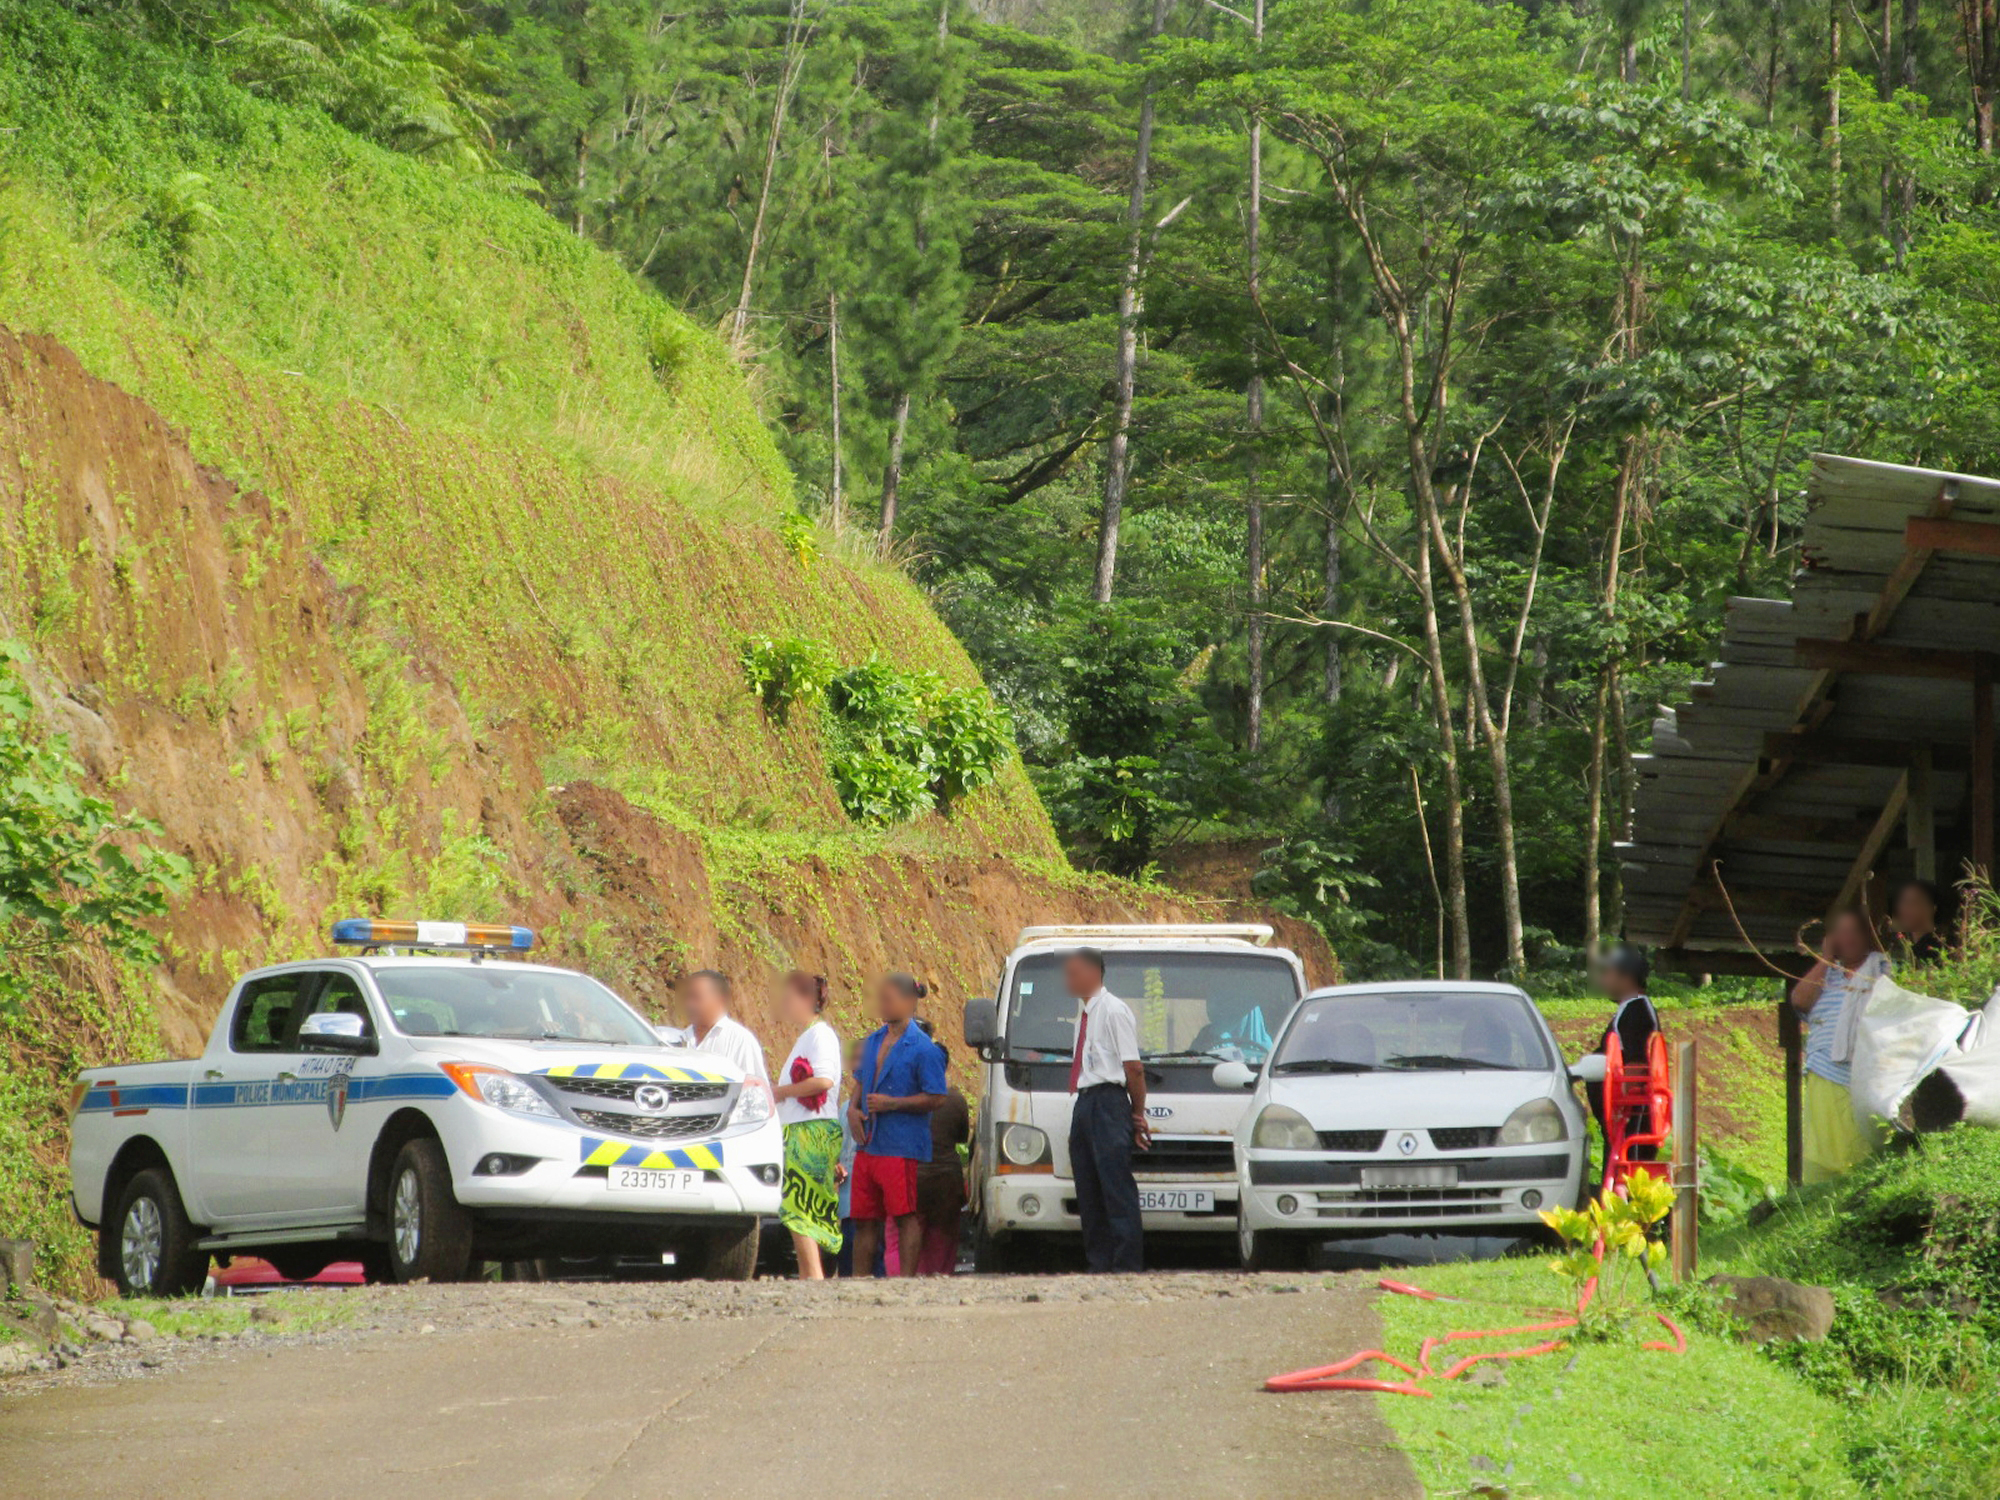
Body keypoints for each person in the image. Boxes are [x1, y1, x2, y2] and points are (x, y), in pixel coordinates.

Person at [847, 973, 947, 1278]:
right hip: (868, 1144)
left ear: (909, 1002)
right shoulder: (873, 1040)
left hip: (900, 1146)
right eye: (882, 999)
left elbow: (937, 1097)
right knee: (864, 1220)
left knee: (905, 1216)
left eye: (889, 1000)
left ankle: (904, 1281)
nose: (883, 1005)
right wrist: (852, 1110)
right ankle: (859, 1282)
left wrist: (894, 1104)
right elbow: (860, 1083)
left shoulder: (924, 1048)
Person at [1790, 909, 1892, 1183]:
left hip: (1861, 1076)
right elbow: (1799, 1001)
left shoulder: (1881, 972)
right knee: (1821, 1153)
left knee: (1857, 1152)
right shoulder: (1827, 977)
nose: (1848, 938)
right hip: (1824, 1072)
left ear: (1867, 936)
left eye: (1854, 931)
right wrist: (1825, 959)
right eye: (1841, 932)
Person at [1064, 948, 1148, 1274]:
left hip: (1110, 1101)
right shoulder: (1082, 1016)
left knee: (1116, 1186)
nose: (1068, 980)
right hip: (1085, 1101)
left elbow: (1133, 1067)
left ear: (1093, 973)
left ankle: (1126, 1264)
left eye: (1074, 973)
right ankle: (1098, 1263)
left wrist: (1136, 1115)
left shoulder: (1114, 1011)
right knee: (1088, 1186)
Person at [772, 971, 843, 1280]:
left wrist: (782, 1093)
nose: (786, 1004)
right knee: (799, 1205)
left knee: (799, 1206)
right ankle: (809, 1273)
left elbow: (823, 1080)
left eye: (791, 997)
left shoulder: (820, 1035)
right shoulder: (808, 1036)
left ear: (810, 1000)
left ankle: (812, 1274)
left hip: (810, 1130)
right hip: (801, 1129)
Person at [1584, 944, 1663, 1166]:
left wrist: (1624, 1109)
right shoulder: (1629, 1010)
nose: (1603, 980)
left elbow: (1638, 1065)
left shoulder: (1638, 1013)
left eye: (1608, 973)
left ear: (1626, 977)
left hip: (1632, 1118)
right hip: (1622, 1119)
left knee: (1627, 1176)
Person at [916, 1070, 970, 1275]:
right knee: (943, 1237)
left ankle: (907, 1278)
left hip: (913, 1174)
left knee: (906, 1232)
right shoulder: (955, 1099)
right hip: (946, 1177)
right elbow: (962, 1138)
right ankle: (940, 1278)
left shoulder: (903, 1098)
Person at [674, 970, 768, 1081]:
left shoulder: (740, 1040)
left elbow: (755, 1089)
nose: (689, 1004)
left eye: (696, 998)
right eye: (687, 997)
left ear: (719, 1000)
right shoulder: (680, 1038)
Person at [1891, 879, 1946, 965]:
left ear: (1931, 908)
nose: (1905, 908)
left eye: (1913, 902)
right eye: (1903, 902)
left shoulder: (1934, 949)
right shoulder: (1908, 948)